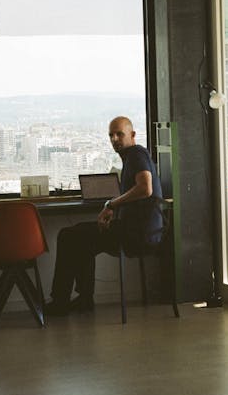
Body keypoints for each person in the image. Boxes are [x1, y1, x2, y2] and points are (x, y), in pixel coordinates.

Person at [46, 116, 163, 315]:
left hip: (136, 235)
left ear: (133, 135)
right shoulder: (132, 157)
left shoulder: (136, 154)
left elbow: (145, 188)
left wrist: (111, 204)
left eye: (120, 134)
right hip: (143, 232)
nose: (114, 139)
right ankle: (83, 300)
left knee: (68, 235)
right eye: (111, 135)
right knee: (82, 239)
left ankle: (61, 301)